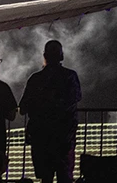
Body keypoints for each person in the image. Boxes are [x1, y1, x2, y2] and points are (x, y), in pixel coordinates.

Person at [20, 40, 82, 183]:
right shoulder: (70, 76)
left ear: (45, 56)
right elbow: (74, 98)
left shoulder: (36, 79)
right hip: (64, 138)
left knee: (45, 177)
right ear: (61, 56)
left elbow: (23, 107)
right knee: (65, 176)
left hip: (41, 138)